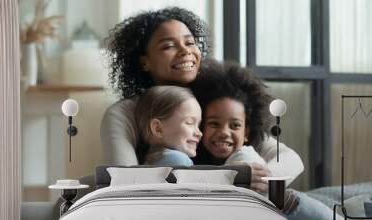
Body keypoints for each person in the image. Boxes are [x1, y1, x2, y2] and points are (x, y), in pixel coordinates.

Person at [102, 7, 303, 193]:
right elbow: (125, 181)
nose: (185, 51)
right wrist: (233, 178)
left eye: (190, 42)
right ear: (144, 62)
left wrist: (262, 181)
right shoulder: (124, 113)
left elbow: (289, 158)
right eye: (169, 46)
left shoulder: (211, 99)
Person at [192, 59, 338, 220]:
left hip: (295, 206)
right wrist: (231, 175)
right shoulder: (189, 147)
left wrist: (262, 179)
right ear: (201, 124)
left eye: (235, 125)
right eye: (214, 124)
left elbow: (293, 160)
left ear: (246, 131)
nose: (224, 132)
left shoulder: (251, 147)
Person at [135, 86, 202, 165]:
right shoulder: (177, 160)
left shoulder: (150, 160)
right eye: (189, 122)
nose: (199, 133)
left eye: (198, 125)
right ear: (158, 129)